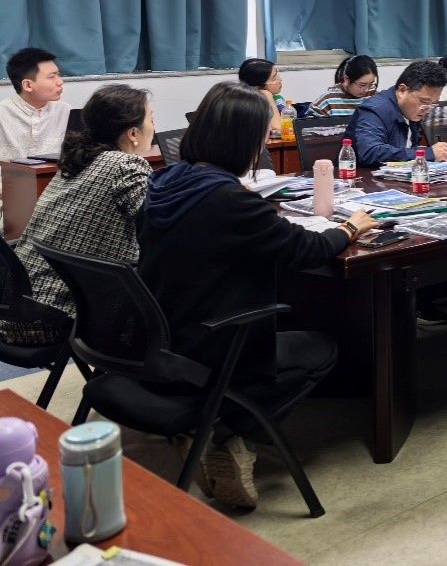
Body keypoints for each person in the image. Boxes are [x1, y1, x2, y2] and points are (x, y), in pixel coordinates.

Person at [139, 81, 379, 510]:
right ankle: (234, 434)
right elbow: (304, 249)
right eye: (262, 138)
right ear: (242, 142)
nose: (264, 145)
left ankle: (199, 428)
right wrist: (350, 227)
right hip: (214, 341)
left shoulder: (167, 178)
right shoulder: (228, 199)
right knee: (322, 348)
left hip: (161, 332)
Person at [1, 85, 154, 346]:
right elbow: (160, 225)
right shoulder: (126, 165)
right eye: (151, 119)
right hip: (58, 316)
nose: (153, 126)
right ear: (132, 133)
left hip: (20, 305)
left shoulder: (77, 160)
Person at [345, 59, 447, 168]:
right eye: (424, 102)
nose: (427, 109)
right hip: (363, 176)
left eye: (433, 104)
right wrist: (425, 153)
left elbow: (409, 148)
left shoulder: (410, 110)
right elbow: (370, 152)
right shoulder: (374, 109)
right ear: (402, 90)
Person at [308, 55, 379, 118]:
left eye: (371, 84)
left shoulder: (375, 97)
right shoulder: (326, 102)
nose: (367, 90)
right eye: (362, 85)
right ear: (346, 79)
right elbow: (310, 127)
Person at [237, 57, 283, 137]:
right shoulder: (250, 105)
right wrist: (267, 95)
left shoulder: (277, 98)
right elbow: (279, 128)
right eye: (274, 78)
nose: (280, 80)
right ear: (258, 85)